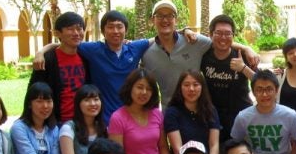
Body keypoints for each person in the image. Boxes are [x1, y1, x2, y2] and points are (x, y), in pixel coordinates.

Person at [33, 10, 198, 121]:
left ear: (126, 29)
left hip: (131, 117)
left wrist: (185, 30)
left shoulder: (135, 47)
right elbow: (66, 44)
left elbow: (162, 35)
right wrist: (41, 52)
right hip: (103, 119)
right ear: (104, 31)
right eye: (110, 27)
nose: (115, 31)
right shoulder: (93, 49)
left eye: (120, 27)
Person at [141, 0, 258, 106]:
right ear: (152, 20)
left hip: (199, 113)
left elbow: (220, 42)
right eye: (160, 16)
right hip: (170, 114)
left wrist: (246, 49)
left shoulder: (194, 42)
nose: (165, 20)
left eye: (170, 16)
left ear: (176, 20)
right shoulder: (146, 54)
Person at [200, 14, 255, 146]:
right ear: (211, 35)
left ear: (233, 36)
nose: (223, 37)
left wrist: (243, 68)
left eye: (228, 33)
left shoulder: (242, 56)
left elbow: (262, 82)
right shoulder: (204, 56)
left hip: (241, 116)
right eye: (218, 33)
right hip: (213, 117)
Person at [29, 11, 89, 123]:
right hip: (56, 122)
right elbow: (34, 90)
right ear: (57, 33)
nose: (76, 33)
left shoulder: (86, 55)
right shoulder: (47, 59)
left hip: (83, 121)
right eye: (70, 29)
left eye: (79, 28)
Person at [164, 70, 222, 154]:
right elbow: (177, 148)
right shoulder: (172, 112)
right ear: (180, 88)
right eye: (186, 85)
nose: (191, 89)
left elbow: (214, 144)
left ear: (202, 87)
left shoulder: (210, 110)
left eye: (195, 84)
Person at [59, 84, 108, 154]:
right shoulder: (68, 129)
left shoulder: (104, 129)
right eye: (87, 100)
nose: (93, 103)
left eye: (96, 99)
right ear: (78, 104)